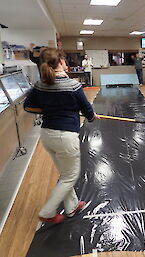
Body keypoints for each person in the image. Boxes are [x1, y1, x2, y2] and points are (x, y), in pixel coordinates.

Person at [24, 48, 100, 224]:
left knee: (65, 174)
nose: (66, 64)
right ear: (59, 63)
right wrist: (91, 116)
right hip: (65, 137)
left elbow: (28, 107)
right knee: (70, 176)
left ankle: (71, 206)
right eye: (64, 61)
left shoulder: (40, 84)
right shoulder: (72, 85)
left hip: (47, 135)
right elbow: (87, 111)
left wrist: (50, 109)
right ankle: (48, 212)